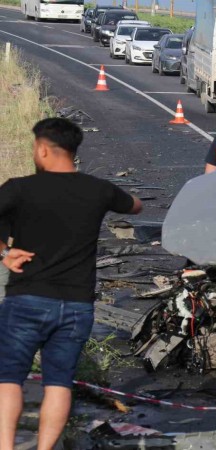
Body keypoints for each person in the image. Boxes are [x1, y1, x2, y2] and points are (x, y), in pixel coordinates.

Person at [0, 118, 142, 450]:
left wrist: (6, 252)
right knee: (59, 383)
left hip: (27, 299)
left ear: (43, 149)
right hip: (77, 306)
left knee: (8, 379)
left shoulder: (19, 188)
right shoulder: (97, 190)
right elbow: (135, 206)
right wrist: (112, 197)